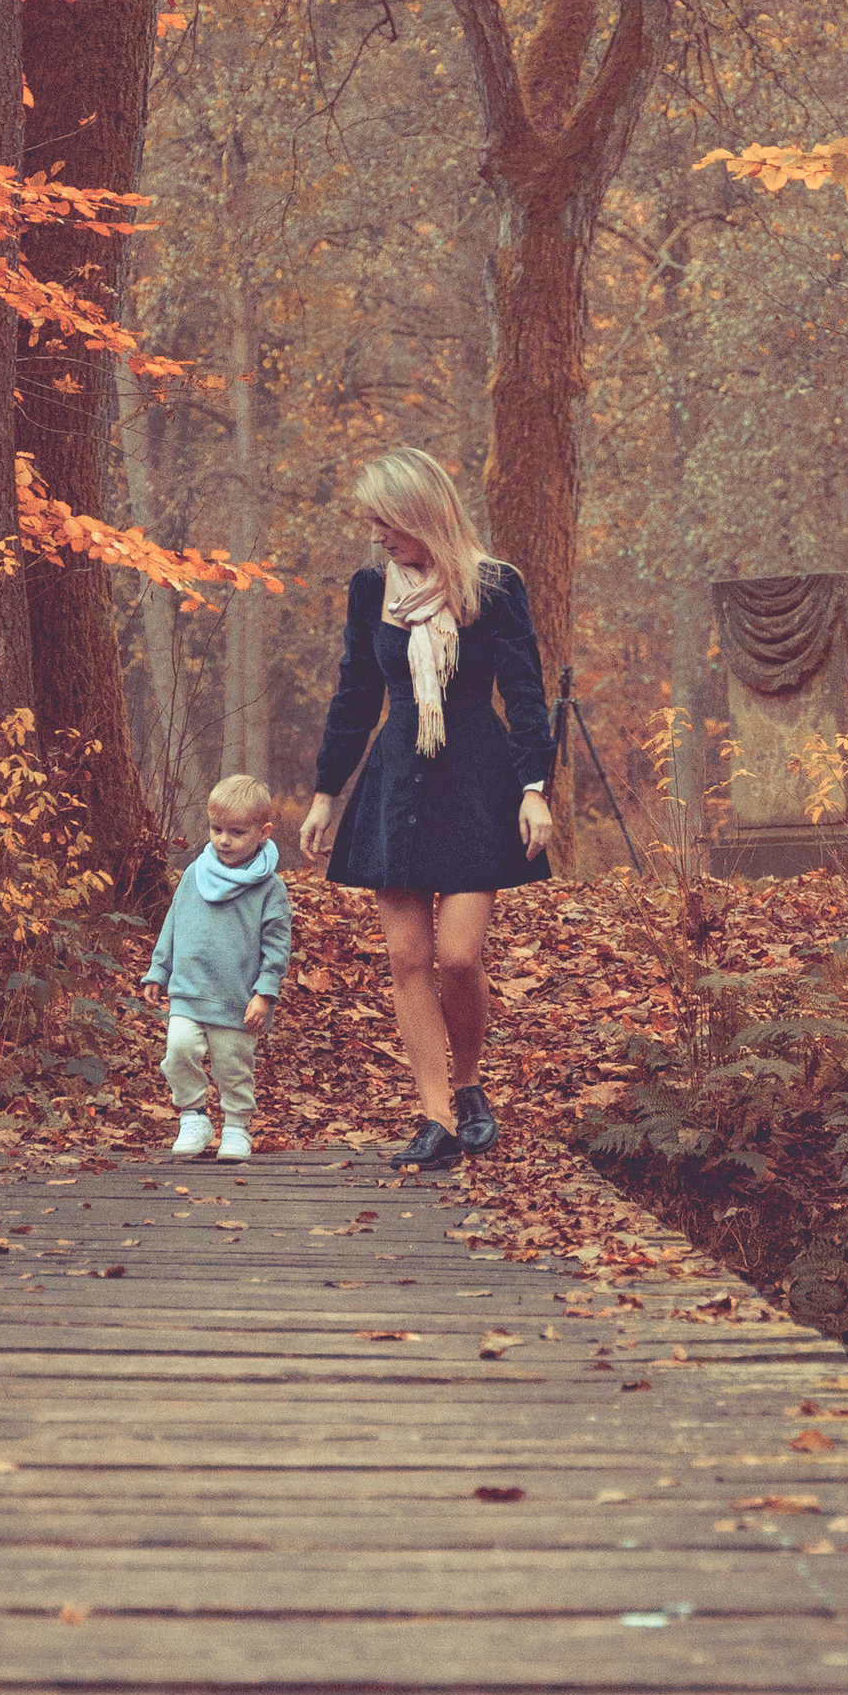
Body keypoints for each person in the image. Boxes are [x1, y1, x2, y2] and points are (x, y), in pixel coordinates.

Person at [296, 447, 555, 1173]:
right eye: (372, 524)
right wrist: (326, 791)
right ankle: (436, 1114)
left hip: (478, 774)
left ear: (421, 514)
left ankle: (470, 1085)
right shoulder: (369, 589)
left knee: (458, 955)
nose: (377, 537)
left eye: (387, 523)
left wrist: (535, 788)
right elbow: (355, 693)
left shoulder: (494, 586)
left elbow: (525, 690)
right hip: (396, 780)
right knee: (408, 958)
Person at [142, 771, 293, 1161]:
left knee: (233, 1066)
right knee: (177, 1050)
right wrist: (159, 970)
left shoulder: (269, 888)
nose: (224, 840)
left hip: (238, 998)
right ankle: (193, 1115)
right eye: (216, 829)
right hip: (189, 988)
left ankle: (237, 1127)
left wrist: (265, 992)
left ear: (263, 832)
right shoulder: (195, 873)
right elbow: (173, 922)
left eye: (237, 832)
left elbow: (277, 947)